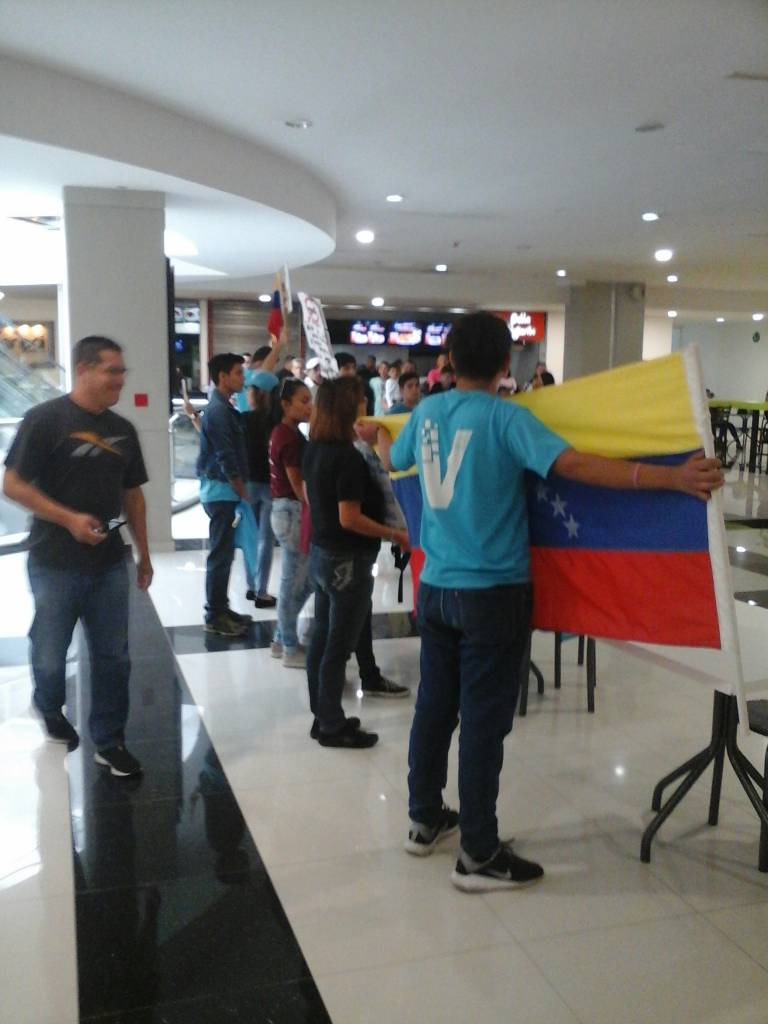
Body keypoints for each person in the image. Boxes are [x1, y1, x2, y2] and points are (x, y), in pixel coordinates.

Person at [377, 311, 723, 893]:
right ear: (504, 364)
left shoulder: (427, 413)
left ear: (450, 362)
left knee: (434, 708)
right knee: (482, 723)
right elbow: (577, 465)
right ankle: (478, 855)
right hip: (492, 595)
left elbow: (392, 459)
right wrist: (671, 479)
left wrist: (378, 434)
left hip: (434, 589)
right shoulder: (506, 419)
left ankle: (424, 818)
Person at [2, 335, 152, 777]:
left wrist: (143, 553)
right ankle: (49, 706)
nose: (120, 380)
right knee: (51, 654)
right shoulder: (45, 420)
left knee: (113, 657)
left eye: (122, 371)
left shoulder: (122, 430)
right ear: (84, 369)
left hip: (109, 563)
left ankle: (110, 740)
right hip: (53, 562)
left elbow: (133, 494)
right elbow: (12, 484)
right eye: (112, 371)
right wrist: (68, 519)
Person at [303, 377, 410, 747]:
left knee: (321, 638)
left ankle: (322, 715)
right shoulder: (346, 458)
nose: (367, 405)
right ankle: (332, 725)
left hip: (322, 553)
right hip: (347, 560)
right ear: (348, 408)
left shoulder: (314, 449)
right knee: (338, 645)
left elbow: (311, 498)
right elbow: (349, 517)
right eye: (362, 401)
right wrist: (394, 533)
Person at [197, 353, 254, 637]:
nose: (243, 378)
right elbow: (225, 455)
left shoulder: (222, 408)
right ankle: (214, 614)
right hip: (222, 492)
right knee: (220, 555)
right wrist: (240, 488)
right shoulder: (219, 411)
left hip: (223, 491)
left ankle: (221, 607)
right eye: (238, 373)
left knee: (225, 553)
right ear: (222, 376)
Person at [269, 378, 314, 668]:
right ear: (286, 405)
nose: (310, 407)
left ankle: (280, 637)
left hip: (287, 511)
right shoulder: (287, 437)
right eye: (304, 401)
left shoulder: (286, 433)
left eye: (311, 400)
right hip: (292, 512)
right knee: (293, 582)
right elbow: (299, 486)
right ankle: (288, 646)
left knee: (304, 579)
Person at [242, 376, 280, 607]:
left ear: (259, 393)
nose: (247, 393)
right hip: (271, 486)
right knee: (266, 540)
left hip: (248, 485)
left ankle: (251, 586)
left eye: (250, 389)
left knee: (250, 537)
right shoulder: (278, 422)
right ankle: (261, 591)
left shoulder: (244, 419)